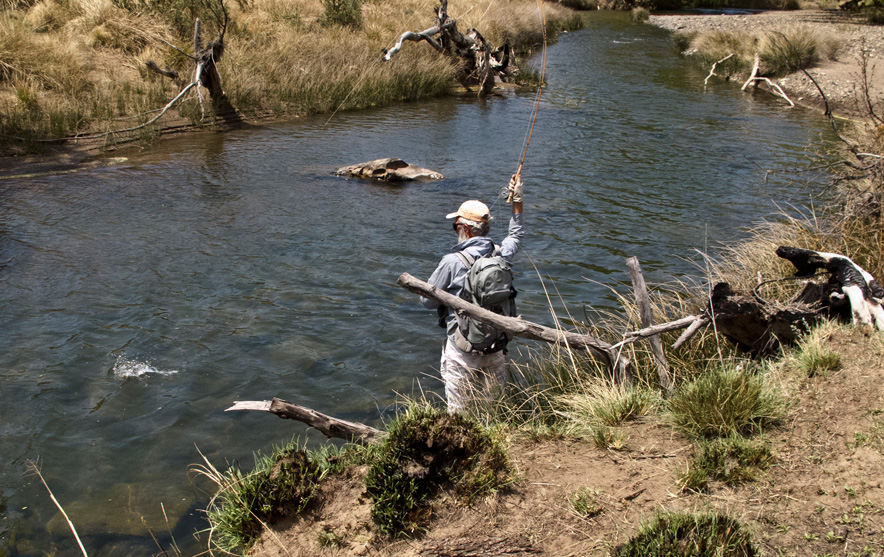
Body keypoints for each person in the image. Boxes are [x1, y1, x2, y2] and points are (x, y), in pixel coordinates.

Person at [420, 175, 524, 412]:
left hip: (462, 348)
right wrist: (517, 200)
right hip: (496, 346)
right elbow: (516, 235)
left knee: (458, 414)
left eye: (455, 225)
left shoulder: (451, 261)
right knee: (493, 410)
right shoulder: (501, 254)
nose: (455, 229)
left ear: (466, 229)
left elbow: (426, 301)